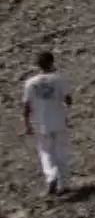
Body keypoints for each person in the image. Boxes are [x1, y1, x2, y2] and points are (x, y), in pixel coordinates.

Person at [22, 51, 73, 196]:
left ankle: (51, 175)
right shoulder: (59, 79)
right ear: (52, 62)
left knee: (45, 152)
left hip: (40, 122)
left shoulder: (30, 83)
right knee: (61, 151)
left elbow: (26, 106)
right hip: (58, 119)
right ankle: (64, 184)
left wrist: (27, 124)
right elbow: (68, 100)